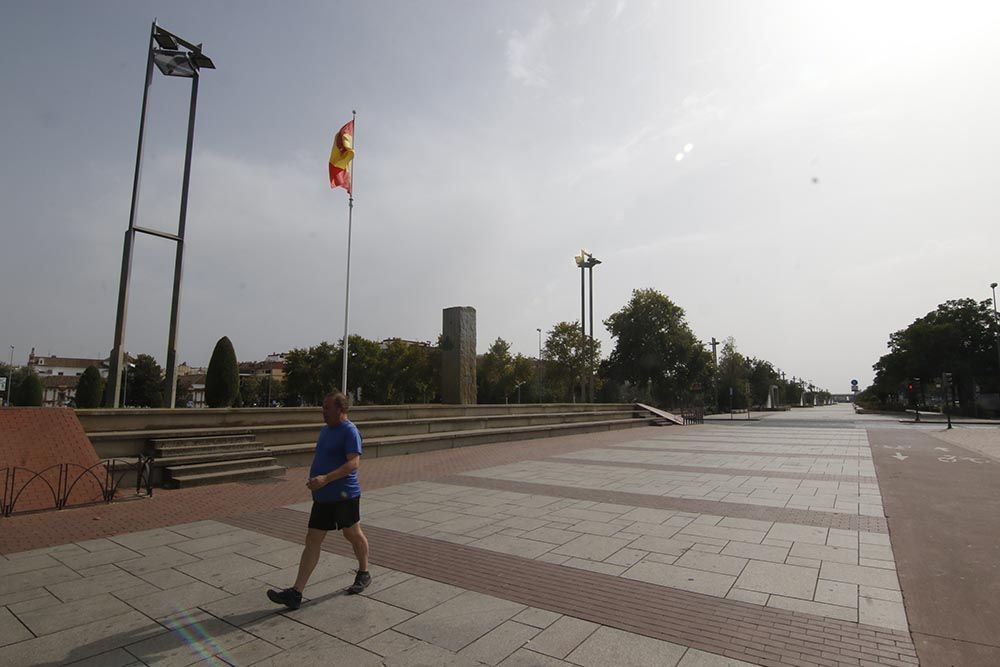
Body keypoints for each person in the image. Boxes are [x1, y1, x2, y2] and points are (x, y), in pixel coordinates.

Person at [267, 391, 370, 609]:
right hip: (323, 497)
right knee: (312, 539)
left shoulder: (350, 431)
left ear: (341, 410)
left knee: (352, 534)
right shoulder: (325, 431)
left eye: (327, 408)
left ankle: (364, 572)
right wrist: (317, 481)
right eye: (323, 407)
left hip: (344, 495)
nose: (322, 412)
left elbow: (353, 464)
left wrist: (325, 478)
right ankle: (296, 592)